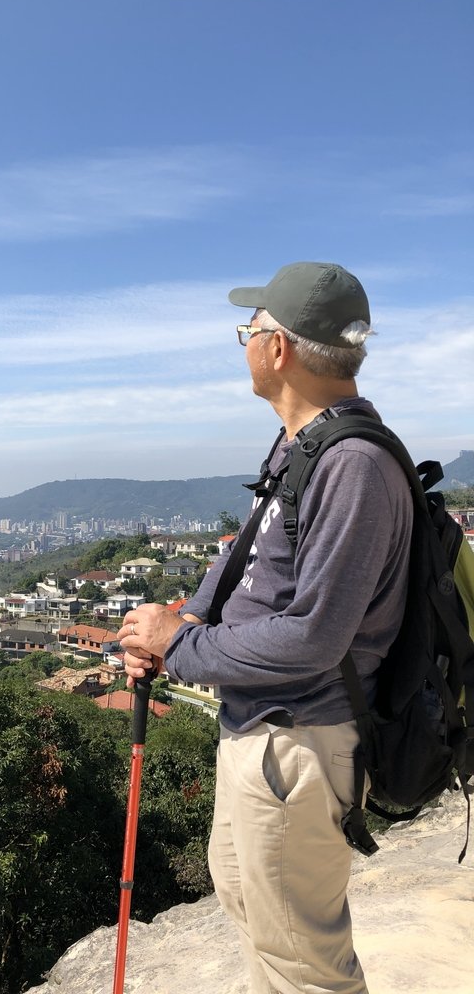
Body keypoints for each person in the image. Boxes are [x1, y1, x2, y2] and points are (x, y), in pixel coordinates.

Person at [118, 261, 413, 994]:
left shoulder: (352, 465)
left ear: (277, 348)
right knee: (255, 913)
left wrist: (179, 647)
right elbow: (243, 562)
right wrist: (178, 620)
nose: (244, 340)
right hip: (263, 733)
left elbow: (314, 635)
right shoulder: (302, 445)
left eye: (250, 328)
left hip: (300, 742)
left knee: (304, 965)